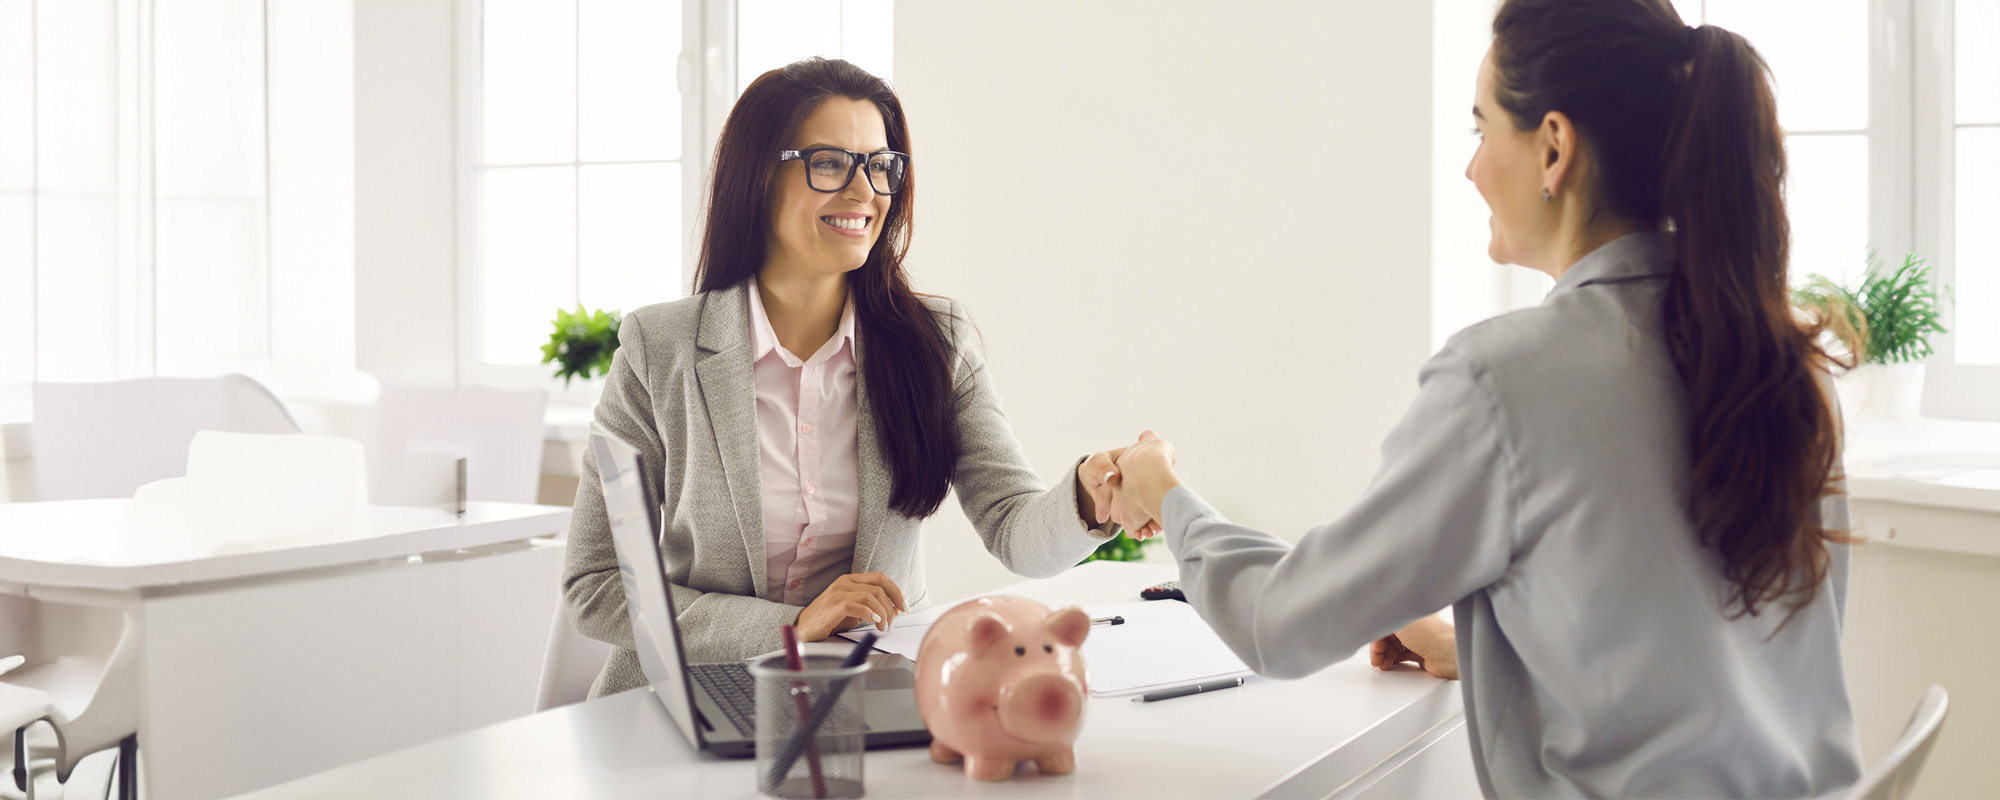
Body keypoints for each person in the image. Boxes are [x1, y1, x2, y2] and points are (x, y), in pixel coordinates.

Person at [1104, 1, 1864, 796]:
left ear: (1554, 149)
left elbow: (1280, 625)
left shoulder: (1505, 379)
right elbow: (1708, 656)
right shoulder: (1789, 368)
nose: (1470, 170)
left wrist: (1166, 493)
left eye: (1481, 129)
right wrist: (1486, 643)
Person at [562, 57, 1133, 699]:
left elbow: (1013, 528)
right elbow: (597, 585)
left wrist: (1091, 497)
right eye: (830, 162)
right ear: (758, 176)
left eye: (880, 165)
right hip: (688, 699)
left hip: (869, 697)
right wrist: (792, 627)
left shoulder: (937, 341)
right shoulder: (658, 347)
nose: (865, 192)